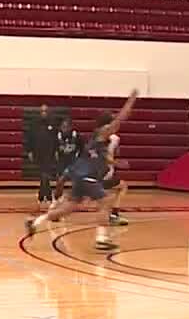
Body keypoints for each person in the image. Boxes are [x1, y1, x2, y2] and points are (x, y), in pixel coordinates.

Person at [26, 90, 138, 251]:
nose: (115, 125)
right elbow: (121, 118)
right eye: (112, 122)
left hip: (81, 176)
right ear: (107, 123)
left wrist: (117, 163)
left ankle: (34, 222)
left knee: (67, 209)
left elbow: (101, 158)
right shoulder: (103, 132)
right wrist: (131, 101)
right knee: (106, 202)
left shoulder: (98, 140)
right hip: (88, 176)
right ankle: (101, 239)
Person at [27, 103, 60, 209]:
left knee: (45, 175)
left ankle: (43, 197)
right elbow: (30, 138)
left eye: (45, 111)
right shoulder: (34, 124)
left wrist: (56, 151)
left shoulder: (53, 124)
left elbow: (56, 139)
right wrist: (30, 151)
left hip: (49, 152)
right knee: (43, 175)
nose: (44, 113)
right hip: (38, 152)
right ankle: (47, 197)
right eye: (42, 111)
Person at [101, 133, 130, 226]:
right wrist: (118, 163)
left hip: (101, 174)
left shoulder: (110, 138)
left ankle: (58, 211)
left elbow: (116, 153)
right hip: (101, 175)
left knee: (121, 186)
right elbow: (106, 157)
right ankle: (113, 215)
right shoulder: (108, 140)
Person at [53, 112, 82, 200]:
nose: (64, 129)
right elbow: (54, 149)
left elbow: (83, 149)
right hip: (62, 162)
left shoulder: (76, 136)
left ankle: (77, 199)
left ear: (70, 127)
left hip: (74, 162)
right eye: (63, 127)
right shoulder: (57, 136)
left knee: (77, 182)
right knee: (60, 181)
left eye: (66, 127)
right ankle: (57, 199)